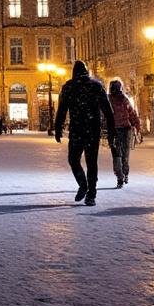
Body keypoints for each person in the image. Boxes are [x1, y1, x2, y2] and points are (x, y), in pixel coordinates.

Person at [54, 61, 115, 206]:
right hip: (93, 129)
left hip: (77, 129)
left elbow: (62, 110)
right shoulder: (96, 86)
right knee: (91, 162)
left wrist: (58, 128)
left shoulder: (69, 87)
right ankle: (91, 194)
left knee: (73, 159)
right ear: (87, 72)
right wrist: (111, 130)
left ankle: (83, 184)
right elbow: (108, 111)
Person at [108, 80, 141, 188]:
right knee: (125, 154)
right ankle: (125, 174)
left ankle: (120, 177)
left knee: (117, 155)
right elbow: (132, 113)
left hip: (114, 131)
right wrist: (137, 125)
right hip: (126, 130)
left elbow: (103, 115)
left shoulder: (108, 100)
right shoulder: (124, 99)